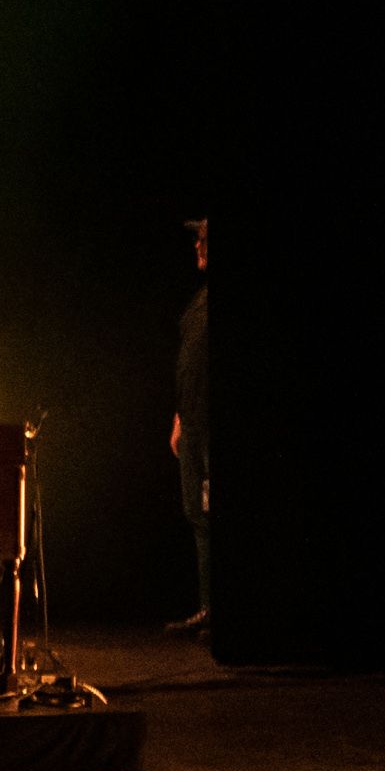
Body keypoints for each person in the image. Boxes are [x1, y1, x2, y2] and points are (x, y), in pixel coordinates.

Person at [166, 219, 210, 635]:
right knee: (196, 513)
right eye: (198, 238)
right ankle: (209, 607)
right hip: (193, 421)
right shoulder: (199, 301)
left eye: (204, 237)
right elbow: (190, 363)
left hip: (213, 426)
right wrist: (179, 417)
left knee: (215, 515)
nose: (198, 244)